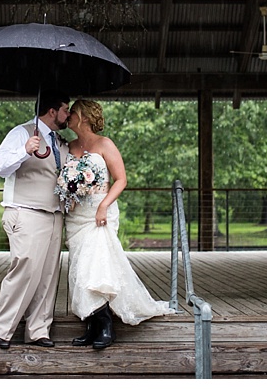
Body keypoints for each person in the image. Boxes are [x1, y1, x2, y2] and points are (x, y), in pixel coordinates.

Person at [57, 99, 175, 349]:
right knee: (80, 269)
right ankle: (91, 324)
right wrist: (69, 194)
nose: (68, 117)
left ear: (84, 118)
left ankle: (106, 325)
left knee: (96, 266)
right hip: (77, 217)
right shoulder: (69, 146)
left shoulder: (105, 144)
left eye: (72, 113)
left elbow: (121, 180)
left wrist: (103, 205)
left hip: (100, 213)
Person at [0, 91, 71, 349]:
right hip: (26, 211)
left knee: (48, 276)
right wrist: (24, 151)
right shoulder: (22, 133)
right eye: (66, 109)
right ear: (51, 111)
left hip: (54, 215)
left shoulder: (60, 141)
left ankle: (38, 330)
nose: (69, 115)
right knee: (24, 269)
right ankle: (2, 329)